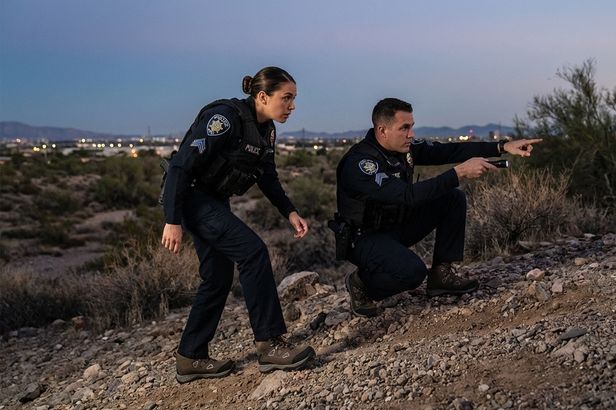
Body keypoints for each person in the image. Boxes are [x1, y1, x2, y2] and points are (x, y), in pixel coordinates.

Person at [161, 66, 314, 383]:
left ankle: (190, 357)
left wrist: (290, 212)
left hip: (214, 201)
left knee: (217, 276)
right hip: (191, 199)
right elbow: (179, 167)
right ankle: (269, 344)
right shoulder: (225, 119)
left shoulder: (267, 130)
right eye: (286, 98)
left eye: (294, 99)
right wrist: (172, 221)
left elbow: (268, 177)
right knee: (253, 252)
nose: (292, 106)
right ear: (262, 95)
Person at [334, 98, 541, 317]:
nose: (411, 134)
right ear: (382, 130)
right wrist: (458, 173)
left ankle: (441, 276)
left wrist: (501, 147)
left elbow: (448, 151)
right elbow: (407, 196)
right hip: (365, 238)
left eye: (411, 127)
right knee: (412, 273)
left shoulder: (403, 150)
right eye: (404, 128)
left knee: (452, 198)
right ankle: (362, 284)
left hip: (396, 226)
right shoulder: (360, 164)